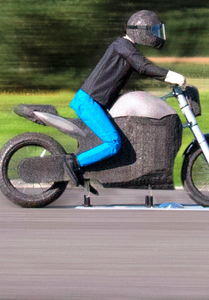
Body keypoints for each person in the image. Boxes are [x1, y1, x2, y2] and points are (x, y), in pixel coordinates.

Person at [65, 10, 186, 179]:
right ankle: (74, 163)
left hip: (94, 103)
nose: (156, 35)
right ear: (142, 31)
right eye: (153, 30)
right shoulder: (121, 45)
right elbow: (142, 66)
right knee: (113, 143)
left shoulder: (127, 48)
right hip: (88, 102)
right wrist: (171, 76)